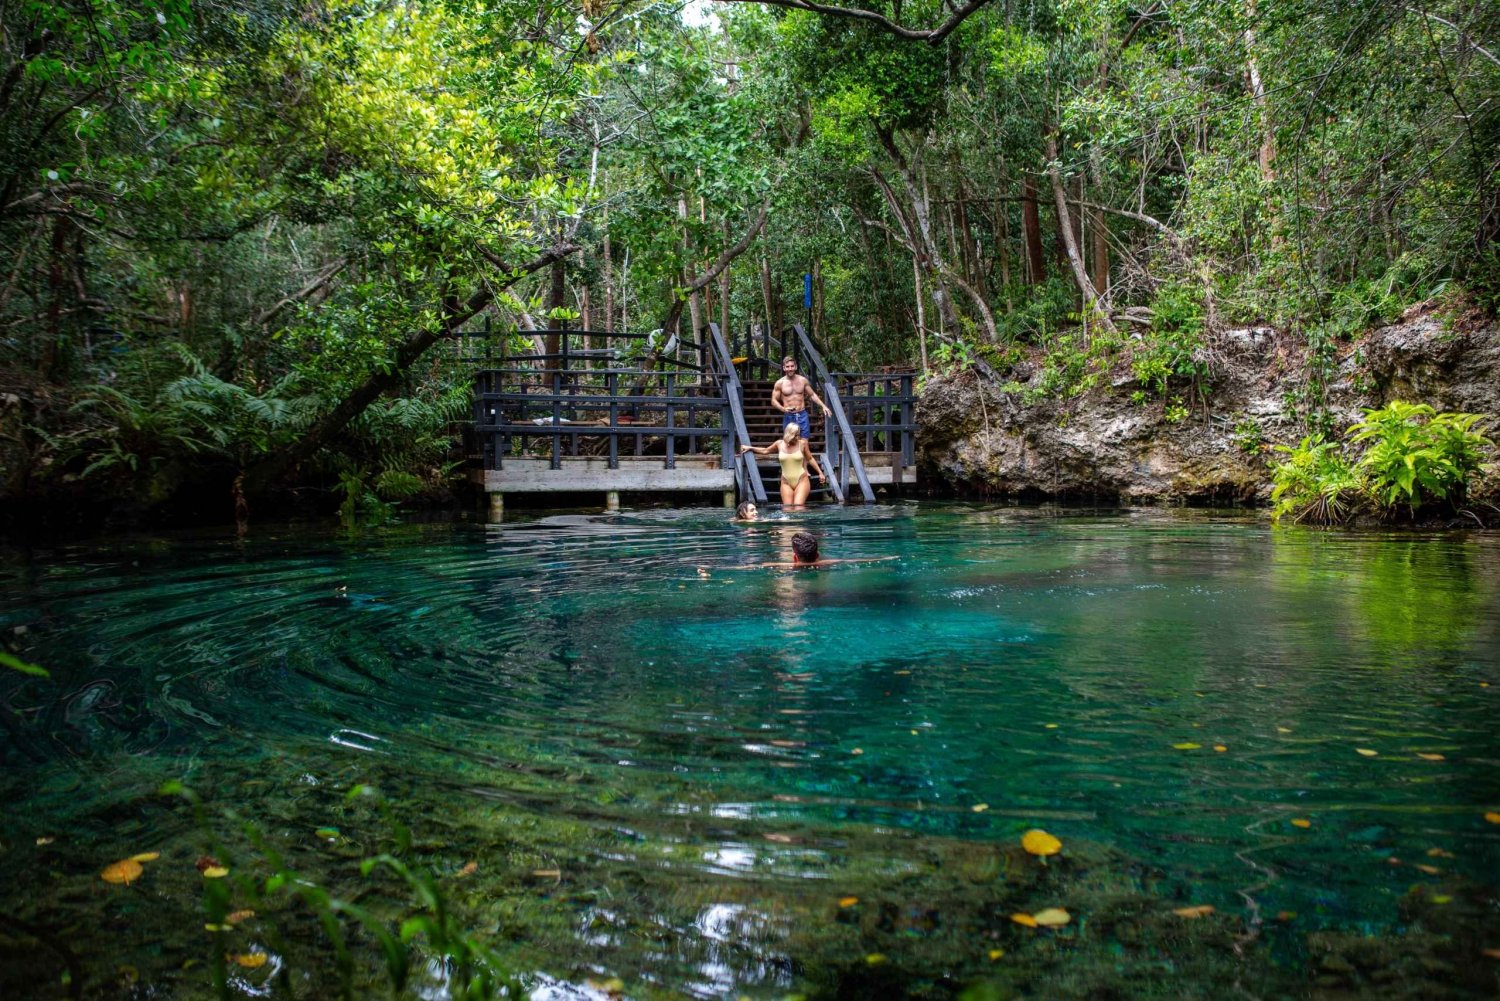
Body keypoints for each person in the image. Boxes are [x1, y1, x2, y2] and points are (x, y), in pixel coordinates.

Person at [739, 423, 825, 507]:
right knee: (787, 509)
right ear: (789, 434)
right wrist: (750, 448)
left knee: (798, 507)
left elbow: (810, 459)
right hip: (786, 482)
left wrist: (820, 473)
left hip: (801, 480)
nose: (797, 437)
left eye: (798, 435)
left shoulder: (802, 444)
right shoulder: (779, 443)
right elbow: (765, 451)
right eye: (795, 435)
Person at [772, 356, 832, 441]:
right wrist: (783, 409)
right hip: (789, 415)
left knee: (804, 442)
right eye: (788, 367)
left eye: (792, 366)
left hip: (802, 415)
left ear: (795, 367)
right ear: (784, 368)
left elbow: (812, 395)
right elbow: (773, 401)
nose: (790, 369)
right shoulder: (780, 383)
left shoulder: (803, 380)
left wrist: (823, 406)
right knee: (789, 442)